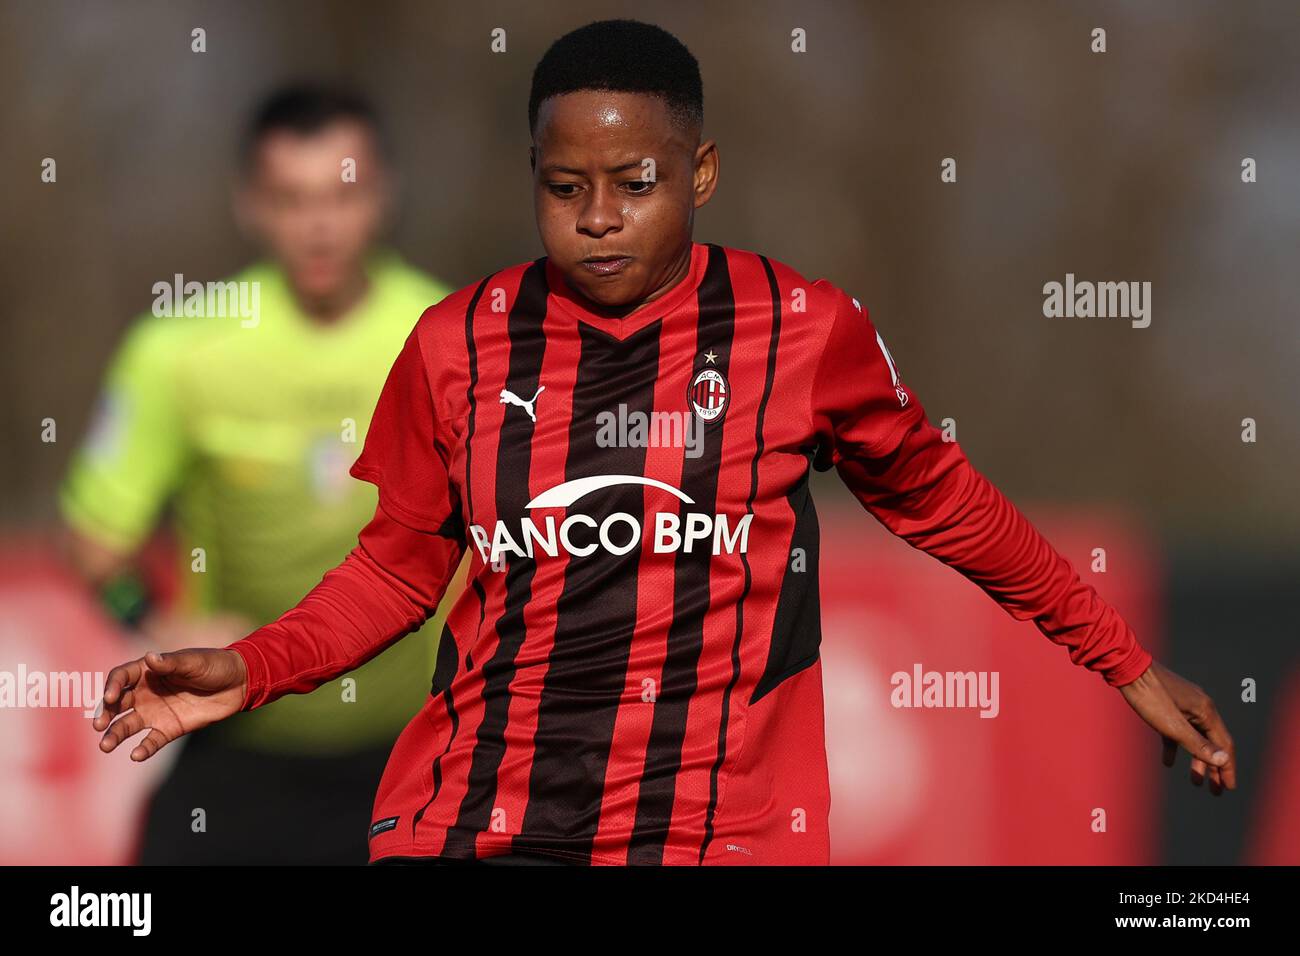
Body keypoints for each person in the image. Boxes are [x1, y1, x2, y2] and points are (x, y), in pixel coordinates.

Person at [92, 20, 1237, 866]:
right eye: (563, 186)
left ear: (699, 173)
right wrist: (251, 667)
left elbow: (952, 506)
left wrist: (1122, 662)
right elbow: (398, 566)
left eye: (634, 183)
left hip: (715, 831)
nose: (596, 216)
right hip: (477, 816)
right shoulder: (456, 343)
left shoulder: (802, 331)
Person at [64, 84, 456, 864]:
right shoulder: (178, 352)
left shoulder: (453, 341)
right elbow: (96, 538)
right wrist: (154, 625)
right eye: (289, 197)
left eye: (341, 194)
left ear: (383, 194)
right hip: (235, 746)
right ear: (250, 204)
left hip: (418, 758)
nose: (318, 225)